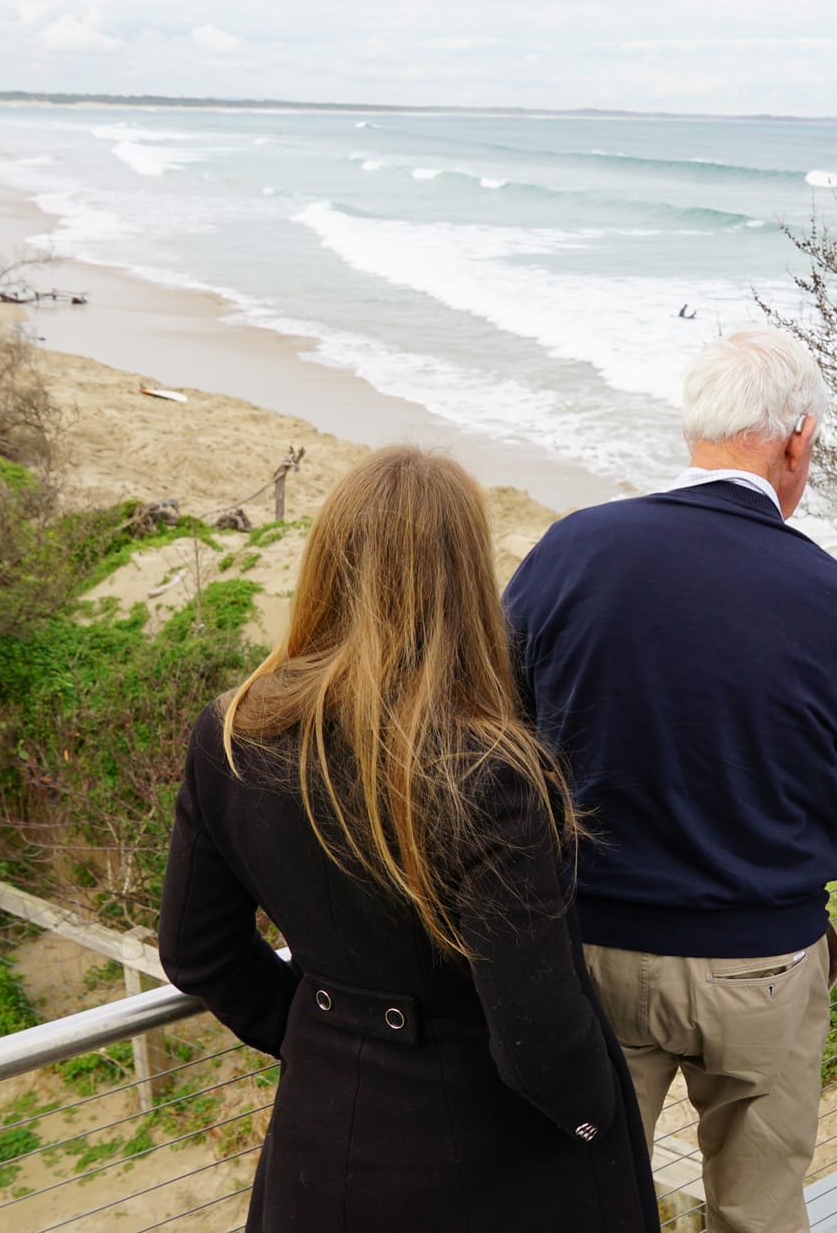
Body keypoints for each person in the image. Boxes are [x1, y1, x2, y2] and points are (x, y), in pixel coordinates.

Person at [159, 446, 658, 1232]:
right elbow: (537, 1038)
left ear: (325, 563)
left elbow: (197, 952)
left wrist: (321, 1027)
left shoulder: (232, 736)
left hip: (317, 1143)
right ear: (465, 583)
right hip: (489, 1164)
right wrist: (601, 1119)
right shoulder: (486, 773)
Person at [502, 326, 837, 1233]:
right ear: (799, 439)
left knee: (583, 1203)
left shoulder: (571, 551)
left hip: (594, 950)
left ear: (694, 434)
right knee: (758, 1210)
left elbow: (500, 740)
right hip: (763, 960)